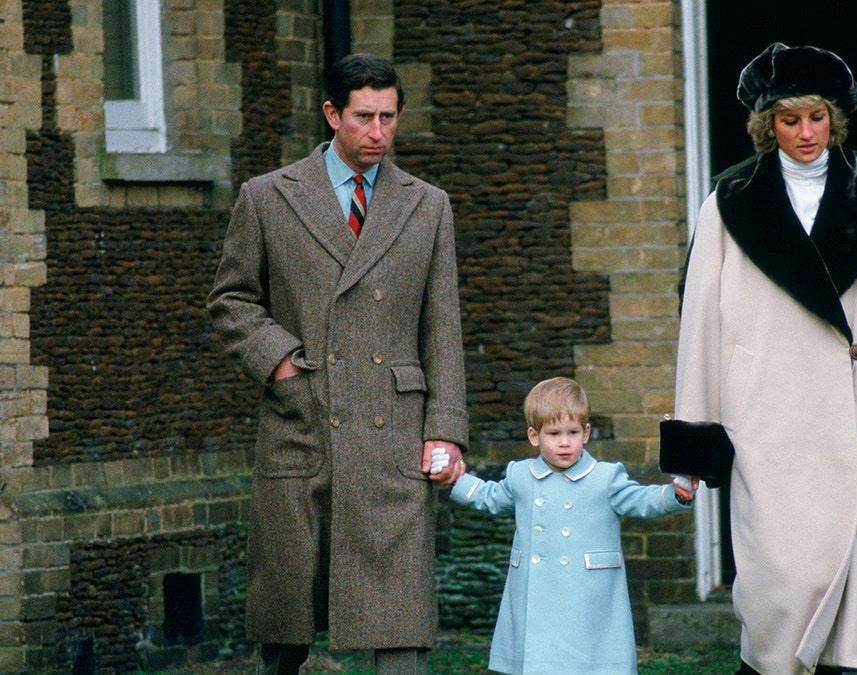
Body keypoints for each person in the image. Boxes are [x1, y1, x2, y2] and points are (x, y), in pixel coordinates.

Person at [673, 43, 857, 675]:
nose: (805, 133)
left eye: (816, 117)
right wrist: (695, 440)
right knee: (778, 579)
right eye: (790, 119)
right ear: (768, 123)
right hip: (760, 417)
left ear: (834, 118)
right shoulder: (730, 201)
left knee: (846, 576)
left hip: (846, 420)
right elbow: (700, 327)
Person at [206, 53, 469, 675]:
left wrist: (447, 429)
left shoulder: (428, 205)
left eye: (388, 117)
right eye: (363, 118)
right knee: (288, 618)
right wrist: (282, 366)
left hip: (395, 434)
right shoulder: (268, 197)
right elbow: (231, 301)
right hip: (302, 424)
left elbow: (444, 326)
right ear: (332, 115)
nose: (377, 132)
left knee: (399, 618)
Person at [448, 377, 696, 675]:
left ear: (586, 433)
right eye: (553, 433)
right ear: (533, 436)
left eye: (573, 432)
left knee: (587, 664)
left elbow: (640, 499)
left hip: (588, 594)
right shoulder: (521, 475)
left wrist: (674, 495)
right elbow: (491, 496)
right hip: (534, 592)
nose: (564, 442)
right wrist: (456, 480)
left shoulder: (605, 477)